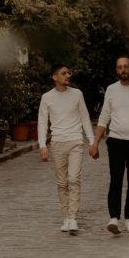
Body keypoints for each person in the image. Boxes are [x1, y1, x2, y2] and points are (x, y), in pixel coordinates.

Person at [90, 55, 129, 235]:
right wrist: (95, 142)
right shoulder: (111, 90)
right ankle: (114, 218)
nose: (123, 70)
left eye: (126, 67)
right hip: (116, 141)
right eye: (119, 67)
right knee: (116, 179)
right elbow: (104, 117)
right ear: (116, 70)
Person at [38, 63, 96, 234]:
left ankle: (73, 218)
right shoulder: (46, 98)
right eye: (63, 73)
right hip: (57, 143)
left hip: (76, 141)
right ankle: (65, 218)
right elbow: (42, 122)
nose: (67, 76)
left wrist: (92, 140)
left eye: (68, 73)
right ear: (55, 77)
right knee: (62, 182)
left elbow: (85, 118)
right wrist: (42, 145)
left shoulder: (77, 94)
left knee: (74, 179)